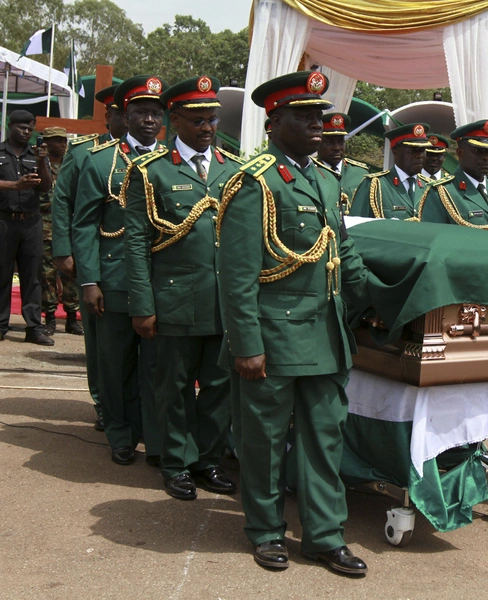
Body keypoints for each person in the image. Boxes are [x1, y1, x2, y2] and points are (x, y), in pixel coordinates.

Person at [218, 71, 375, 575]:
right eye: (305, 116)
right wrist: (246, 344)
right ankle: (265, 530)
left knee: (324, 438)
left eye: (319, 115)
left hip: (325, 336)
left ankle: (324, 535)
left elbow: (342, 251)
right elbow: (237, 275)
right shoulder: (255, 182)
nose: (318, 123)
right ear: (275, 120)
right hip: (273, 336)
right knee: (262, 441)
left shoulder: (325, 179)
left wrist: (380, 300)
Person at [123, 76, 241, 499]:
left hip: (222, 303)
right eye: (197, 120)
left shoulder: (233, 169)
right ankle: (175, 462)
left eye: (211, 118)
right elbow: (135, 243)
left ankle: (208, 460)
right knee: (172, 388)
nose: (207, 127)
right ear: (175, 121)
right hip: (173, 300)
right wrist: (142, 303)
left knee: (218, 386)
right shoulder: (150, 171)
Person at [72, 76, 168, 466]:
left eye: (155, 112)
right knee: (115, 363)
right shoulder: (101, 161)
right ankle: (120, 432)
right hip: (114, 280)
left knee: (156, 366)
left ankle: (154, 434)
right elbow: (84, 224)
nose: (149, 119)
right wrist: (90, 280)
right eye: (141, 112)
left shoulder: (169, 162)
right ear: (124, 117)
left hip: (161, 280)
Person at [52, 85, 127, 430]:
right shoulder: (85, 152)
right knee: (99, 337)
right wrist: (64, 251)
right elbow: (63, 201)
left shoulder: (149, 153)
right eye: (119, 112)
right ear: (108, 115)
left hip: (136, 260)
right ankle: (102, 401)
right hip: (97, 252)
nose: (125, 118)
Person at [0, 110, 53, 345]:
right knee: (1, 274)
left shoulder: (36, 154)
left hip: (31, 221)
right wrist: (15, 185)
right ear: (10, 126)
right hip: (4, 220)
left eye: (30, 129)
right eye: (22, 127)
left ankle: (33, 327)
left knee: (32, 275)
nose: (26, 132)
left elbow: (46, 186)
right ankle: (1, 325)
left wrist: (42, 161)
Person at [418, 119, 488, 232]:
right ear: (460, 153)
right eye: (478, 151)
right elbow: (433, 239)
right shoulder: (441, 192)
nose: (486, 157)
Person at [38, 126, 81, 336]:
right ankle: (50, 318)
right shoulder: (38, 164)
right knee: (46, 276)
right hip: (44, 226)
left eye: (64, 140)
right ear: (46, 142)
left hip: (68, 228)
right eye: (56, 140)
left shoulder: (72, 165)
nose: (62, 144)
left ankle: (72, 318)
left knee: (71, 275)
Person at [349, 123, 430, 219]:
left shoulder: (430, 188)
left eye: (422, 150)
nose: (419, 155)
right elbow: (356, 227)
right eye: (413, 150)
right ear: (395, 152)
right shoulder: (374, 185)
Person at [316, 112, 370, 211]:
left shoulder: (361, 173)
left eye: (340, 142)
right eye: (329, 142)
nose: (337, 147)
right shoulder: (310, 171)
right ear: (318, 143)